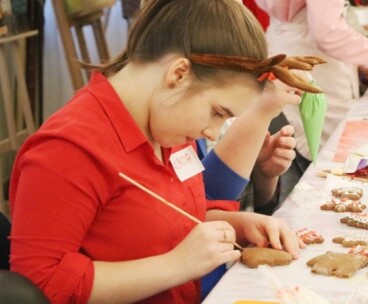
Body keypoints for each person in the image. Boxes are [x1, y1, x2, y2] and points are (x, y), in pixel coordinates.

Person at [8, 0, 323, 303]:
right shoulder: (68, 151)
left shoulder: (166, 119)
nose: (214, 132)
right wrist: (177, 266)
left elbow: (168, 219)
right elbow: (41, 287)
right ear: (179, 75)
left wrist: (237, 223)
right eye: (217, 112)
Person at [255, 0, 368, 183]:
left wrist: (360, 62)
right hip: (314, 66)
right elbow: (327, 31)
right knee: (325, 167)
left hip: (296, 52)